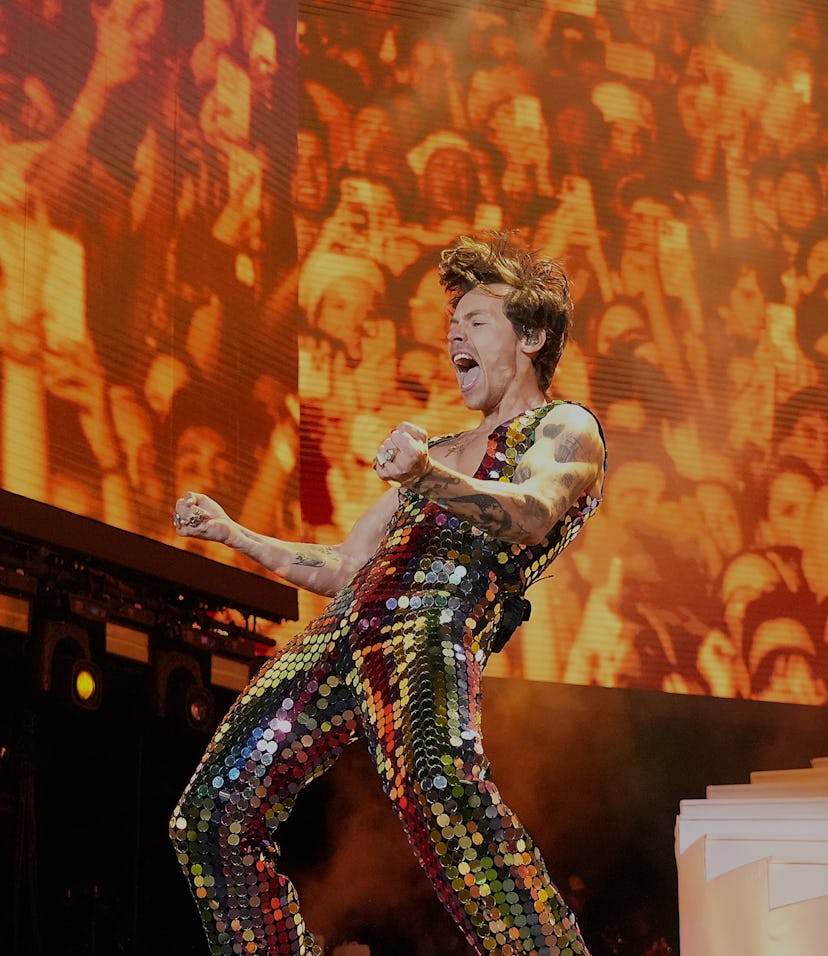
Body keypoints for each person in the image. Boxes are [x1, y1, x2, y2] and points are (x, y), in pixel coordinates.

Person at [169, 231, 606, 955]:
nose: (454, 336)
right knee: (209, 816)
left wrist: (426, 480)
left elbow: (530, 512)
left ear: (530, 336)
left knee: (442, 793)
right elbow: (343, 566)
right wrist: (234, 534)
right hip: (343, 633)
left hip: (431, 629)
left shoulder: (563, 426)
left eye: (476, 322)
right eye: (451, 326)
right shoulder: (434, 449)